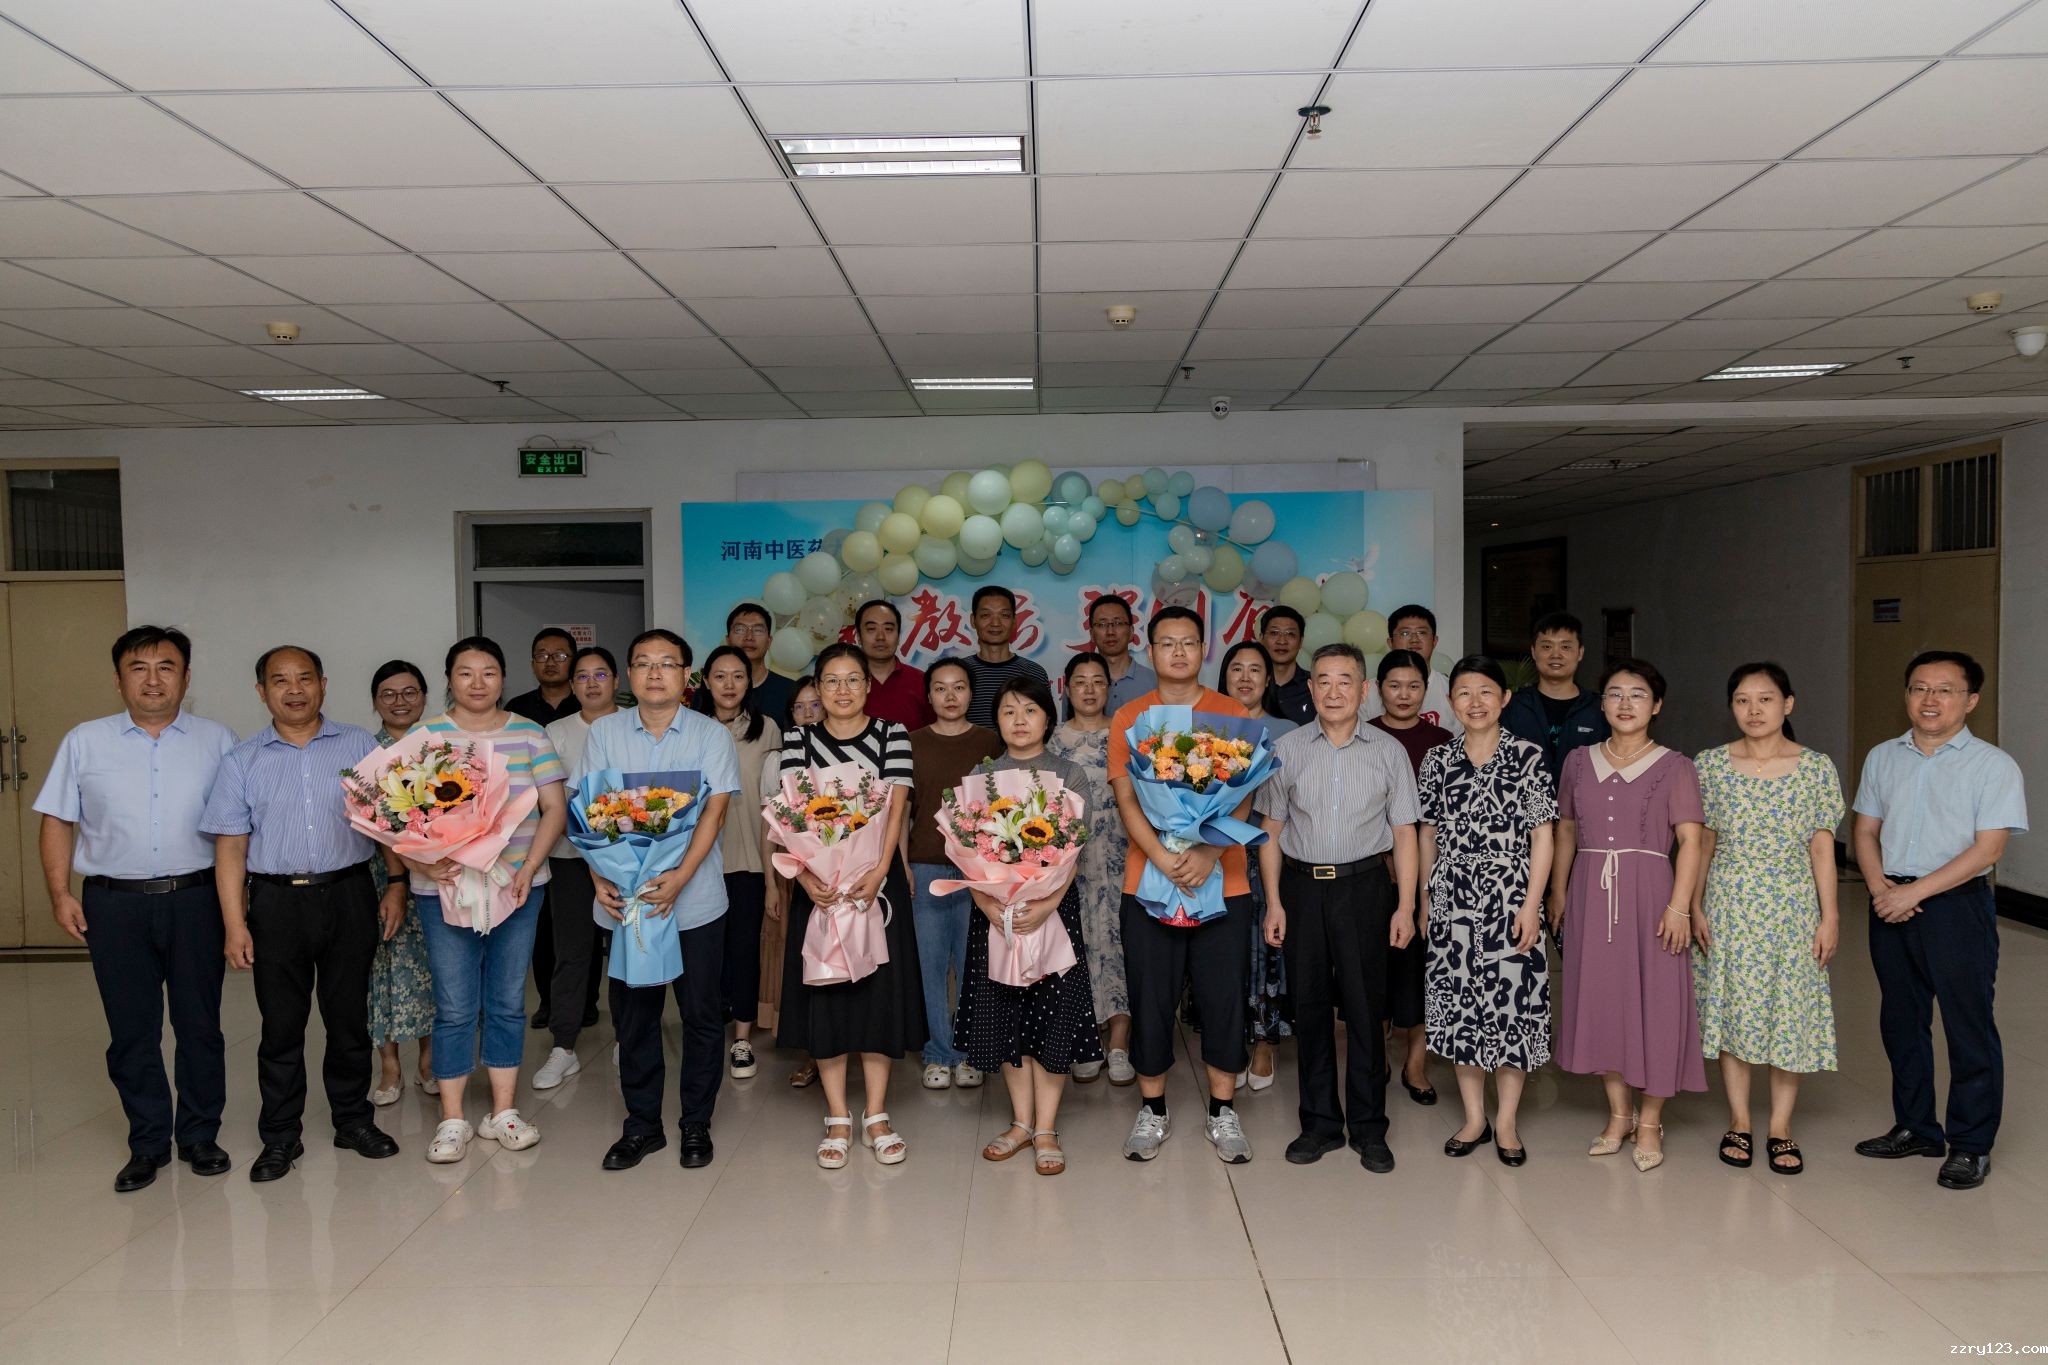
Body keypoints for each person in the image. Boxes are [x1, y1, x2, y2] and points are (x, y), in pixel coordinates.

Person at [34, 626, 238, 1193]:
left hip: (197, 899)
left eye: (166, 667)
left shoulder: (219, 740)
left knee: (200, 1024)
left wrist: (238, 906)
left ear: (186, 678)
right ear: (118, 678)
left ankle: (199, 1134)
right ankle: (147, 1141)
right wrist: (59, 893)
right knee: (131, 1029)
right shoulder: (84, 741)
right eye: (138, 668)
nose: (153, 680)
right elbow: (58, 819)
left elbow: (239, 827)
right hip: (114, 904)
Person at [203, 645, 403, 1181]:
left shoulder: (359, 745)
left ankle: (352, 1120)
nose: (294, 690)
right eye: (280, 680)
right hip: (276, 903)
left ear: (323, 684)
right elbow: (230, 849)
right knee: (281, 1025)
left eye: (305, 678)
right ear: (261, 691)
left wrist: (397, 885)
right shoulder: (242, 760)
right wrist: (234, 925)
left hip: (349, 893)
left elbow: (390, 821)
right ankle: (280, 1135)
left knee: (348, 1018)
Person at [1852, 650, 2027, 1191]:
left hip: (1956, 906)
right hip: (1890, 901)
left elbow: (1988, 850)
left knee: (1966, 1024)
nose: (1929, 700)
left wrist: (1914, 892)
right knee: (1901, 1021)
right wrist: (1881, 888)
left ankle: (1971, 1145)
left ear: (1970, 700)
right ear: (1907, 696)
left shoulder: (1993, 766)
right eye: (1919, 688)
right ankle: (1916, 1128)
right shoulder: (1883, 756)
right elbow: (1864, 830)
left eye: (1944, 690)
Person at [1256, 644, 1420, 1173]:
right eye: (1323, 680)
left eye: (1345, 680)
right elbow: (1271, 831)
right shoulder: (1288, 749)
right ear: (1310, 689)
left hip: (1364, 889)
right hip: (1302, 889)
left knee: (1366, 1009)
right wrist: (1274, 902)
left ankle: (1369, 1128)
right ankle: (1319, 1124)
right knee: (1309, 1008)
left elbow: (1405, 833)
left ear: (1363, 690)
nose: (1333, 691)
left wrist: (1406, 906)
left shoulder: (1388, 751)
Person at [581, 629, 740, 1172]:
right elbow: (590, 812)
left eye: (667, 663)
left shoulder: (709, 734)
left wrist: (680, 877)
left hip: (694, 903)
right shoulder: (604, 733)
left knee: (701, 1016)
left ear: (686, 676)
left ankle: (696, 1121)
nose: (655, 673)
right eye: (644, 663)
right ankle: (642, 1125)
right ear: (628, 674)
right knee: (635, 1018)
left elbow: (715, 812)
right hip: (626, 903)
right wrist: (598, 876)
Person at [408, 637, 567, 1164]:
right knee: (454, 1005)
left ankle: (503, 1111)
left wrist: (528, 868)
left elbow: (553, 808)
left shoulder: (531, 733)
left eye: (489, 672)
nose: (478, 683)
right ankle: (452, 1118)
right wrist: (421, 864)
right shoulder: (425, 736)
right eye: (466, 673)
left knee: (506, 1001)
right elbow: (395, 815)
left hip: (517, 887)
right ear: (449, 679)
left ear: (503, 677)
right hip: (444, 889)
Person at [1109, 606, 1258, 1164]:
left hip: (1224, 881)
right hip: (1149, 882)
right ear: (1150, 652)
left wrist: (1208, 851)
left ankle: (1223, 1111)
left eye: (1188, 642)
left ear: (1203, 650)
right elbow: (1127, 798)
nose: (1178, 652)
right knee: (1151, 997)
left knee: (1223, 997)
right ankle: (1153, 1109)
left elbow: (1244, 793)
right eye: (1167, 643)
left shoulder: (1230, 712)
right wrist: (1163, 858)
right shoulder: (1130, 717)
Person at [1552, 658, 1706, 1173]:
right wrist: (1558, 892)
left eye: (1637, 694)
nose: (1625, 703)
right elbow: (1566, 829)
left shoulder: (1676, 766)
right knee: (1603, 1003)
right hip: (1590, 893)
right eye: (1615, 693)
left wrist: (1679, 906)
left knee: (1657, 1003)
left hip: (1653, 894)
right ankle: (1619, 1115)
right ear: (1601, 704)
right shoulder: (1578, 761)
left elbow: (1690, 841)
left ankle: (1651, 1122)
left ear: (1656, 706)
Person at [776, 642, 926, 1167]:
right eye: (831, 681)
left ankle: (877, 1113)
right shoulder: (797, 740)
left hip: (875, 885)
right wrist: (809, 878)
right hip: (819, 888)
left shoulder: (892, 735)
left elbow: (895, 811)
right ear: (817, 688)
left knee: (878, 995)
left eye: (853, 679)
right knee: (829, 998)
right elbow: (792, 818)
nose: (842, 690)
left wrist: (880, 871)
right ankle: (838, 1115)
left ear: (868, 686)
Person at [1692, 663, 1844, 1176]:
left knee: (1789, 1012)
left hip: (1792, 908)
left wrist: (1830, 916)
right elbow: (1703, 843)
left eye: (1765, 699)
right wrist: (1694, 904)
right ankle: (1739, 1120)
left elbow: (1821, 847)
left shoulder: (1815, 767)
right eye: (1742, 700)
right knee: (1733, 1009)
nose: (1753, 710)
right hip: (1729, 905)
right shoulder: (1710, 764)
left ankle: (1780, 1127)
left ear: (1788, 704)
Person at [957, 675, 1102, 1176]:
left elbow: (1074, 852)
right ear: (996, 721)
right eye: (1008, 712)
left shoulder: (1069, 774)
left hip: (1052, 912)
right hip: (995, 915)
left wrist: (1047, 904)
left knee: (1052, 1015)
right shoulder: (981, 776)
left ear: (1048, 718)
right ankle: (1020, 1123)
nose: (1019, 721)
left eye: (1030, 711)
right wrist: (986, 904)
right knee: (1008, 1016)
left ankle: (1046, 1128)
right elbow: (967, 853)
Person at [1416, 656, 1555, 1167]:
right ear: (1451, 701)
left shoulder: (1528, 756)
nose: (1475, 703)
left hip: (1511, 897)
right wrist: (1427, 898)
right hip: (1452, 897)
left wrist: (1532, 904)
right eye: (1464, 693)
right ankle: (1475, 1117)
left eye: (1485, 692)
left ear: (1505, 699)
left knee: (1511, 1008)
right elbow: (1427, 833)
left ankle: (1508, 1121)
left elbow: (1543, 836)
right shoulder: (1438, 760)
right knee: (1461, 1010)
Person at [905, 657, 1003, 1090]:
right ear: (929, 696)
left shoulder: (991, 742)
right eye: (941, 688)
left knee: (972, 965)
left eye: (959, 687)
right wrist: (901, 865)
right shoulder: (910, 742)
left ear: (971, 694)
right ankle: (937, 1053)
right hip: (924, 864)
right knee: (929, 966)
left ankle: (968, 1053)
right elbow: (902, 812)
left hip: (976, 870)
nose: (950, 696)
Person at [531, 646, 621, 1091]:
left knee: (625, 952)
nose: (591, 683)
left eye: (600, 674)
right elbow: (551, 800)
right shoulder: (555, 731)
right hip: (570, 859)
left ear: (616, 681)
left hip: (626, 861)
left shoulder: (633, 725)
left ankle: (627, 1037)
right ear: (571, 685)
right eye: (582, 676)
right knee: (572, 953)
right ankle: (563, 1047)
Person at [692, 644, 783, 1081]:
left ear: (750, 682)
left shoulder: (768, 730)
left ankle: (742, 1038)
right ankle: (707, 1030)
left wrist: (773, 875)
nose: (729, 684)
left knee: (745, 949)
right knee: (704, 954)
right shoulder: (688, 727)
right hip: (698, 860)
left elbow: (776, 803)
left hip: (748, 858)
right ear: (705, 681)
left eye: (739, 676)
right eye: (720, 676)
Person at [1368, 649, 1452, 1105]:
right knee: (1376, 968)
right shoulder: (1364, 735)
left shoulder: (1442, 741)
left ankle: (1416, 1064)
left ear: (1426, 689)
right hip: (1371, 874)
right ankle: (1377, 1056)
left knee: (1422, 971)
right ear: (1378, 688)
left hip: (1429, 876)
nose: (1404, 694)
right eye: (1395, 685)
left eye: (1414, 686)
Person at [1049, 651, 1134, 1085]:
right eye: (1080, 681)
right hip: (1071, 867)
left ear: (1109, 688)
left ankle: (1119, 1042)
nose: (1089, 689)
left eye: (1098, 681)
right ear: (1067, 688)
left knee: (1120, 944)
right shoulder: (1052, 741)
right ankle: (1085, 1040)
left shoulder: (1127, 735)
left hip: (1122, 856)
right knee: (1076, 946)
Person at [1219, 639, 1295, 1092]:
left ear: (1268, 680)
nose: (1245, 677)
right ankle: (1228, 1042)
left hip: (1268, 852)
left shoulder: (1288, 731)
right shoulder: (1205, 726)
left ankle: (1265, 1042)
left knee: (1268, 949)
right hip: (1215, 854)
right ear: (1224, 676)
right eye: (1236, 669)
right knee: (1224, 953)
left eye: (1255, 670)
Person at [366, 660, 435, 1106]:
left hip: (436, 872)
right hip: (379, 875)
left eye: (410, 692)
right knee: (382, 965)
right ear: (375, 701)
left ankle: (430, 1060)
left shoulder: (442, 749)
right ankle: (389, 1066)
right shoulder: (363, 753)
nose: (400, 701)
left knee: (435, 964)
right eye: (388, 694)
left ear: (424, 697)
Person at [507, 627, 579, 1035]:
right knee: (540, 923)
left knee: (576, 925)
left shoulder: (585, 703)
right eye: (542, 654)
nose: (550, 662)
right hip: (526, 834)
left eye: (560, 655)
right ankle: (549, 1003)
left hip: (577, 832)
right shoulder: (516, 710)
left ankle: (584, 1003)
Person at [762, 673, 825, 1087]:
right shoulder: (778, 759)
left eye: (814, 705)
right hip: (796, 876)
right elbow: (770, 828)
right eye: (798, 708)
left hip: (846, 876)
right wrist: (772, 882)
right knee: (805, 967)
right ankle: (812, 1055)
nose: (807, 714)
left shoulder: (849, 749)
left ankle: (847, 1049)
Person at [1502, 611, 1607, 787]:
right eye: (1546, 646)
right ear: (1533, 651)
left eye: (1565, 647)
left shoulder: (1599, 709)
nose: (1556, 654)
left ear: (1580, 652)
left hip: (1583, 803)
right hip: (1524, 803)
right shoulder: (1513, 707)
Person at [1362, 606, 1462, 736]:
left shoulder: (1452, 691)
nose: (1414, 640)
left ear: (1434, 641)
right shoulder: (1366, 693)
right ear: (1390, 642)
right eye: (1405, 633)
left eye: (1422, 632)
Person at [961, 585, 1049, 729]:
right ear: (973, 620)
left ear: (1014, 621)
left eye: (1004, 615)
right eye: (986, 615)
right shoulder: (960, 673)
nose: (995, 623)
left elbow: (1045, 724)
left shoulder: (1034, 673)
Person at [855, 598, 932, 731]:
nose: (880, 637)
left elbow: (936, 734)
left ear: (898, 636)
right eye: (871, 629)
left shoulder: (922, 681)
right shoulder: (845, 684)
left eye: (889, 629)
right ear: (858, 637)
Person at [728, 602, 796, 729]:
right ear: (728, 640)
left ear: (769, 641)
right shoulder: (709, 693)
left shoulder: (791, 692)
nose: (749, 637)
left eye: (758, 630)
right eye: (740, 629)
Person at [1087, 594, 1155, 715]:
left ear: (1131, 632)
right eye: (1102, 624)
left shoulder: (1154, 682)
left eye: (1118, 623)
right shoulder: (1080, 684)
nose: (1110, 632)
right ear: (1092, 634)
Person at [1259, 606, 1312, 724]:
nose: (1282, 641)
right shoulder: (1248, 684)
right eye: (1274, 633)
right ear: (1261, 638)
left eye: (1290, 634)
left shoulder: (1315, 687)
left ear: (1301, 641)